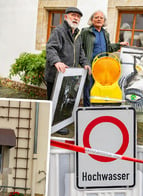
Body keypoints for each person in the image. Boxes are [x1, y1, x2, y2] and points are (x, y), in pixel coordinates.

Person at [44, 7, 91, 135]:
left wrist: (85, 64)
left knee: (62, 101)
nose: (76, 18)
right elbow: (51, 48)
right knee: (53, 102)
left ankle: (58, 123)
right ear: (66, 17)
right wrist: (56, 61)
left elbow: (80, 52)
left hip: (68, 76)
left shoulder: (77, 33)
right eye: (73, 15)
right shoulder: (59, 31)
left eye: (78, 16)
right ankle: (50, 126)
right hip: (56, 75)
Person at [81, 10, 129, 106]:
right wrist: (84, 62)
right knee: (88, 88)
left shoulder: (105, 33)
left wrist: (119, 45)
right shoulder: (86, 32)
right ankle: (87, 109)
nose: (99, 19)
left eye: (101, 18)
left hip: (103, 66)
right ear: (92, 19)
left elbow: (109, 48)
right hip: (90, 66)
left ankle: (98, 107)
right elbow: (80, 48)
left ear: (104, 21)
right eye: (96, 17)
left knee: (100, 88)